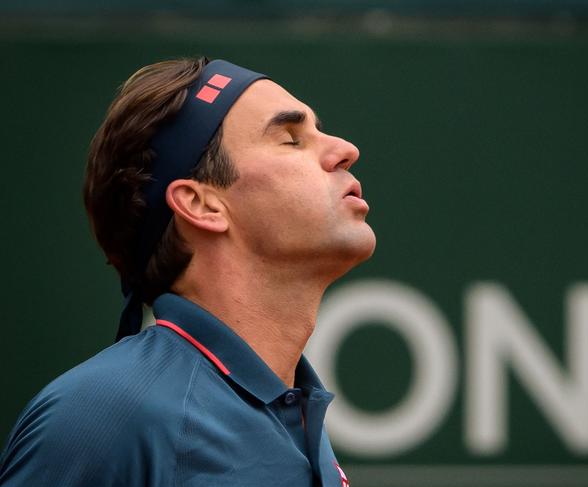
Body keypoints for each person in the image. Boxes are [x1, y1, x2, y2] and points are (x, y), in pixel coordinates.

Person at [0, 57, 374, 486]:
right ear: (202, 205)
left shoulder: (300, 423)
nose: (345, 149)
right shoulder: (102, 415)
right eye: (291, 138)